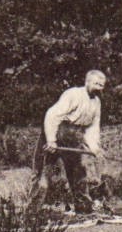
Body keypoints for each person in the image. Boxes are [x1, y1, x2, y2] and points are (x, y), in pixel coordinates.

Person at [36, 69, 106, 213]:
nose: (99, 87)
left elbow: (93, 127)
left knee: (78, 172)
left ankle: (84, 208)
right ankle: (33, 211)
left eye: (102, 85)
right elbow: (52, 115)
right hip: (56, 131)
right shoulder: (73, 94)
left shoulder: (97, 102)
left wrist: (93, 147)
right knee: (45, 172)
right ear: (87, 82)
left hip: (73, 136)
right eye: (96, 83)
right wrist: (51, 140)